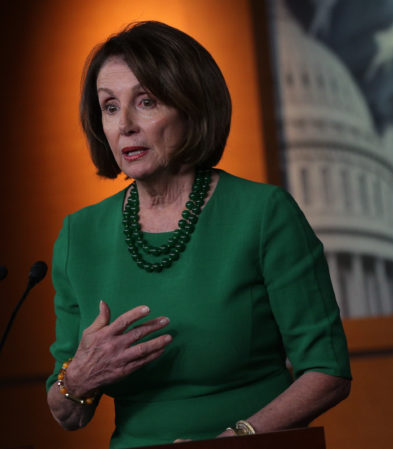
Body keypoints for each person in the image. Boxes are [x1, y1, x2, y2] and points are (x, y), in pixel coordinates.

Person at [46, 21, 351, 449]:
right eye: (110, 107)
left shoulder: (263, 214)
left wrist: (232, 440)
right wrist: (77, 377)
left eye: (146, 101)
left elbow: (328, 372)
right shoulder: (80, 235)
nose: (125, 125)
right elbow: (67, 414)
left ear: (191, 107)